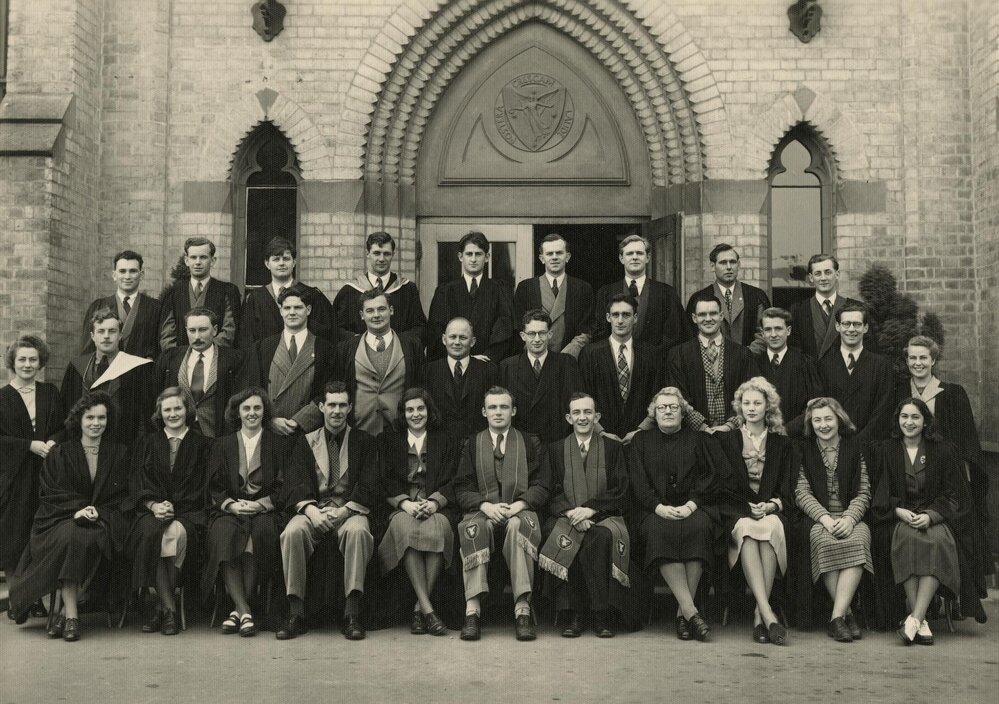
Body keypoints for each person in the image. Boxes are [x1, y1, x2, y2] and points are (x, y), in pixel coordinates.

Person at [8, 392, 129, 642]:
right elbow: (51, 492)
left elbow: (124, 494)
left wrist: (98, 511)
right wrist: (77, 510)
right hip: (61, 518)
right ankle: (71, 614)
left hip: (107, 519)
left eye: (102, 418)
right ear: (79, 420)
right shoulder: (61, 452)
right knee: (74, 537)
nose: (96, 423)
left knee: (87, 539)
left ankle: (64, 614)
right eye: (90, 418)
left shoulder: (119, 453)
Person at [870, 398, 987, 644]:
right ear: (897, 420)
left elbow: (955, 495)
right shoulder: (886, 450)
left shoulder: (942, 450)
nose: (909, 422)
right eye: (904, 416)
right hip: (901, 516)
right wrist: (898, 511)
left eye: (915, 417)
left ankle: (914, 618)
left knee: (936, 542)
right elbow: (879, 493)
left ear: (925, 422)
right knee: (905, 539)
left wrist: (931, 516)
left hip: (935, 517)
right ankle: (920, 621)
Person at [278, 382, 380, 641]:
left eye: (342, 405)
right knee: (292, 532)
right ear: (321, 407)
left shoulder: (364, 442)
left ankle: (352, 613)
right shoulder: (305, 442)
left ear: (350, 407)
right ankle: (296, 613)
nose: (337, 411)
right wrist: (311, 511)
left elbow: (369, 484)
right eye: (331, 405)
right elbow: (295, 482)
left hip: (349, 510)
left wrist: (345, 511)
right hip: (315, 509)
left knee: (358, 533)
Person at [454, 386, 547, 641]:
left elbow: (542, 484)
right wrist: (485, 506)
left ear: (513, 411)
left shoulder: (530, 442)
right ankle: (472, 610)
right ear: (484, 412)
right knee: (474, 528)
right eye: (492, 407)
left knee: (518, 526)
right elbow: (461, 487)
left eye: (504, 407)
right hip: (484, 510)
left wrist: (521, 504)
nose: (498, 412)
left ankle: (522, 609)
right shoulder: (472, 444)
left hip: (519, 509)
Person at [899, 335, 991, 595]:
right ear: (907, 361)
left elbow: (966, 440)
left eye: (923, 357)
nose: (918, 363)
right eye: (912, 358)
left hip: (947, 477)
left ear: (933, 360)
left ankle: (952, 593)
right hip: (910, 473)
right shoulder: (899, 392)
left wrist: (962, 479)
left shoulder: (952, 393)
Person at [628, 387, 721, 642]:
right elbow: (638, 482)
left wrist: (692, 504)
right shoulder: (640, 441)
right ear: (654, 413)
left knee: (699, 528)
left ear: (682, 412)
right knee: (660, 530)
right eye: (662, 407)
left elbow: (710, 476)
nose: (667, 411)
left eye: (673, 407)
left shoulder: (698, 440)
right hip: (653, 509)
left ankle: (683, 614)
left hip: (693, 506)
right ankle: (692, 612)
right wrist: (658, 507)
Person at [202, 388, 296, 637]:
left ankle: (238, 610)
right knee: (223, 534)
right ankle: (244, 609)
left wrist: (262, 504)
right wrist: (231, 505)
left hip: (264, 510)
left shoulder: (278, 444)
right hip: (231, 509)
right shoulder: (223, 444)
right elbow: (214, 485)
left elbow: (285, 484)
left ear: (265, 412)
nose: (252, 413)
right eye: (246, 408)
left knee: (260, 533)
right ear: (237, 412)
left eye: (257, 408)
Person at [539, 393, 631, 638]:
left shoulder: (613, 448)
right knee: (563, 535)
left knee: (599, 537)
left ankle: (601, 614)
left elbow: (621, 488)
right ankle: (574, 614)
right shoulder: (556, 449)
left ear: (597, 417)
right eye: (577, 413)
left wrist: (591, 510)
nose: (582, 417)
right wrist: (572, 513)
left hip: (602, 515)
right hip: (566, 514)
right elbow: (549, 488)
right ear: (568, 418)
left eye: (588, 412)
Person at [715, 378, 795, 645]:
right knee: (748, 530)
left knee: (770, 527)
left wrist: (772, 505)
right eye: (746, 403)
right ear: (739, 406)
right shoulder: (727, 440)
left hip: (771, 509)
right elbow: (722, 485)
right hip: (738, 510)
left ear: (768, 407)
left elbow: (788, 486)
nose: (751, 408)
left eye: (757, 403)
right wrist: (745, 507)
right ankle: (767, 613)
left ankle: (760, 615)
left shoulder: (782, 443)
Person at [125, 388, 212, 636]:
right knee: (153, 534)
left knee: (175, 534)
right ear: (160, 413)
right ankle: (169, 608)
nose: (173, 414)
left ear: (187, 411)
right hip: (149, 510)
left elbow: (204, 486)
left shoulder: (203, 444)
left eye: (178, 408)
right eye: (167, 409)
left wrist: (174, 508)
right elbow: (136, 480)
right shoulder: (147, 442)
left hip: (189, 511)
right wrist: (153, 505)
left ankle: (162, 608)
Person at [377, 388, 461, 636]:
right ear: (403, 413)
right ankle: (428, 610)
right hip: (403, 506)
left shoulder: (445, 439)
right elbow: (383, 480)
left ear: (429, 410)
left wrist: (435, 502)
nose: (416, 414)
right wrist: (405, 503)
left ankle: (418, 609)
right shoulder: (389, 440)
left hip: (436, 505)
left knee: (439, 530)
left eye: (420, 408)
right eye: (410, 410)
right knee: (407, 531)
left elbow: (455, 478)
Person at [794, 397, 873, 642]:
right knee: (824, 542)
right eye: (817, 420)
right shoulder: (803, 449)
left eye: (828, 419)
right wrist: (825, 519)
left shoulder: (855, 447)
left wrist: (849, 518)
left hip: (851, 517)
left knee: (858, 541)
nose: (823, 425)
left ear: (839, 419)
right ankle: (846, 616)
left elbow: (864, 492)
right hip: (819, 519)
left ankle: (836, 618)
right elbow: (801, 492)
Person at [0, 336, 65, 616]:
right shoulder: (2, 397)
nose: (27, 364)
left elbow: (63, 426)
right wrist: (28, 445)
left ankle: (35, 598)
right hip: (14, 478)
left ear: (41, 363)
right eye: (22, 359)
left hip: (46, 475)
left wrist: (53, 440)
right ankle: (18, 601)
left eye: (33, 359)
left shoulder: (50, 392)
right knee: (15, 538)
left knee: (39, 538)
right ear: (12, 363)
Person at [246, 283, 335, 436]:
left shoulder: (324, 349)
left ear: (308, 310)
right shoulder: (263, 347)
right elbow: (253, 389)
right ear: (281, 311)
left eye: (298, 308)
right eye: (287, 308)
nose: (292, 312)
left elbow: (327, 391)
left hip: (308, 433)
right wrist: (269, 419)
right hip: (270, 432)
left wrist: (299, 421)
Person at [334, 288, 424, 435]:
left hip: (400, 432)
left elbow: (420, 387)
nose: (376, 315)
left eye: (381, 309)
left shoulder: (412, 346)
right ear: (362, 315)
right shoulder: (345, 348)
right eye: (370, 311)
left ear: (391, 310)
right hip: (359, 432)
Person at [61, 308, 155, 445]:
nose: (106, 336)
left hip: (123, 445)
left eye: (112, 331)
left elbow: (144, 416)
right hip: (81, 444)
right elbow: (66, 410)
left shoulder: (137, 368)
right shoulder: (77, 367)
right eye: (101, 331)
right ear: (92, 336)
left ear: (120, 335)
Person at [667, 293, 759, 432]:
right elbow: (678, 396)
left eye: (713, 313)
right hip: (693, 435)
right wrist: (702, 427)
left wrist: (730, 425)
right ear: (694, 318)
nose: (708, 319)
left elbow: (750, 393)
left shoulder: (742, 354)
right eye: (702, 314)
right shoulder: (678, 355)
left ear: (721, 316)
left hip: (734, 434)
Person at [578, 294, 661, 443]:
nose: (620, 320)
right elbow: (583, 395)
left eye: (626, 315)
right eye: (615, 315)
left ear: (635, 318)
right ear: (608, 317)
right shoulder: (590, 353)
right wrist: (600, 432)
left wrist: (641, 431)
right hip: (600, 439)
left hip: (641, 438)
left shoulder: (650, 354)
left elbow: (657, 395)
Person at [154, 307, 248, 438]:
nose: (197, 336)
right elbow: (157, 397)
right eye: (192, 330)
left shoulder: (234, 359)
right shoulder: (170, 358)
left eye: (203, 330)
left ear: (214, 330)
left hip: (217, 437)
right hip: (179, 437)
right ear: (186, 330)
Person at [427, 230, 516, 362]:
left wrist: (487, 357)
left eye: (478, 254)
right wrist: (459, 358)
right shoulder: (445, 291)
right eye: (469, 254)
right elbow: (436, 333)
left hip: (488, 364)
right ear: (460, 257)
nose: (473, 259)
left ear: (487, 257)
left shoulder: (500, 290)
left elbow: (506, 330)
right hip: (453, 364)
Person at [592, 234, 688, 355]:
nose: (635, 257)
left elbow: (674, 334)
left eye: (639, 253)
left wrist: (652, 356)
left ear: (647, 257)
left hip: (656, 361)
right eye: (629, 253)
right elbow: (600, 332)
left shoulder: (666, 292)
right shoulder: (606, 292)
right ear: (621, 258)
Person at [499, 309, 582, 443]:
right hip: (521, 443)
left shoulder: (566, 364)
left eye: (542, 333)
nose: (537, 339)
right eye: (531, 334)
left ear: (550, 334)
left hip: (557, 442)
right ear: (523, 336)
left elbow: (576, 405)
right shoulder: (507, 367)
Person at [237, 237, 335, 349]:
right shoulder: (254, 299)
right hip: (265, 358)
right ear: (267, 264)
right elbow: (246, 341)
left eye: (286, 259)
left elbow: (325, 336)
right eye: (276, 259)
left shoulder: (312, 295)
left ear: (294, 262)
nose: (281, 263)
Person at [332, 231, 427, 346]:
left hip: (398, 352)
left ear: (393, 254)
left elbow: (420, 328)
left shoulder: (407, 290)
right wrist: (359, 342)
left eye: (386, 254)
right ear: (367, 253)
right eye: (376, 253)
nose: (381, 259)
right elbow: (336, 330)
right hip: (359, 353)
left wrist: (396, 343)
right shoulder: (349, 291)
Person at [817, 303, 893, 446]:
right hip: (834, 444)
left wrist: (859, 442)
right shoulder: (824, 365)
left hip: (870, 445)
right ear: (838, 326)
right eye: (846, 324)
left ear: (865, 328)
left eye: (857, 324)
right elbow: (821, 408)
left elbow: (883, 410)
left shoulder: (881, 365)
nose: (851, 329)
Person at [513, 233, 594, 358]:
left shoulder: (583, 288)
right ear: (542, 258)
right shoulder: (526, 288)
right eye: (550, 254)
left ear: (567, 257)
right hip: (535, 359)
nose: (554, 257)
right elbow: (518, 327)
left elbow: (587, 329)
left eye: (559, 253)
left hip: (569, 360)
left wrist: (566, 356)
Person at [159, 237, 242, 349]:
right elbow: (167, 334)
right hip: (180, 357)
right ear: (186, 260)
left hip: (216, 356)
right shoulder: (173, 293)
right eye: (193, 257)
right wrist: (180, 355)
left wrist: (206, 353)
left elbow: (229, 331)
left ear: (212, 261)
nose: (198, 262)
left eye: (203, 257)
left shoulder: (227, 291)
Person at [421, 317, 498, 440]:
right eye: (452, 337)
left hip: (478, 442)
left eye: (463, 337)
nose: (457, 342)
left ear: (472, 341)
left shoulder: (488, 371)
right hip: (439, 443)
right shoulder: (428, 371)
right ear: (444, 339)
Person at [685, 244, 771, 348]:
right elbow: (692, 335)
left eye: (733, 262)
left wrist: (745, 354)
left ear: (738, 265)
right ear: (713, 266)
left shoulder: (755, 296)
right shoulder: (699, 298)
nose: (729, 267)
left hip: (750, 356)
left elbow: (764, 333)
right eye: (723, 263)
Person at [80, 250, 161, 359]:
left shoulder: (155, 308)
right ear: (114, 275)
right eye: (122, 271)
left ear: (141, 275)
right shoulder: (98, 306)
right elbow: (87, 351)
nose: (127, 276)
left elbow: (159, 349)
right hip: (106, 368)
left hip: (143, 369)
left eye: (133, 271)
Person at [755, 307, 822, 436]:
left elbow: (815, 405)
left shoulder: (805, 363)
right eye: (768, 329)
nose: (773, 335)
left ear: (788, 330)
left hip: (797, 438)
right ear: (762, 333)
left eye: (778, 329)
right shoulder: (754, 364)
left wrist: (788, 430)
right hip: (761, 438)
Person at [788, 253, 865, 360]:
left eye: (828, 272)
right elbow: (794, 352)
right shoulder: (798, 310)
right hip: (810, 370)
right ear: (811, 278)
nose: (823, 278)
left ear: (837, 274)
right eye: (818, 274)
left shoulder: (857, 308)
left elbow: (867, 350)